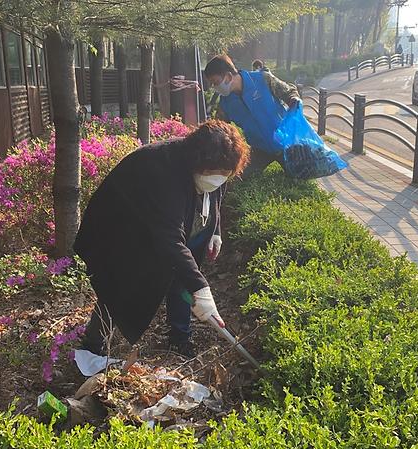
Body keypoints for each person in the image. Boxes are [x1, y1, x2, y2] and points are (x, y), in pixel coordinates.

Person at [75, 120, 251, 358]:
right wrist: (200, 288)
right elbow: (169, 239)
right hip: (125, 227)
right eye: (211, 175)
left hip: (173, 226)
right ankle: (92, 345)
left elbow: (216, 191)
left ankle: (180, 337)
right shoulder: (164, 170)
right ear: (196, 164)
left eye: (224, 176)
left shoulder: (217, 164)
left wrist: (215, 230)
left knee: (184, 275)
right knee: (120, 285)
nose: (217, 181)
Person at [204, 54, 300, 176]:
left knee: (298, 175)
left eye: (216, 82)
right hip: (258, 149)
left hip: (285, 142)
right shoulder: (225, 103)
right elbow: (221, 129)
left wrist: (294, 100)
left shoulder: (263, 79)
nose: (215, 87)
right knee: (239, 177)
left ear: (228, 76)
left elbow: (289, 92)